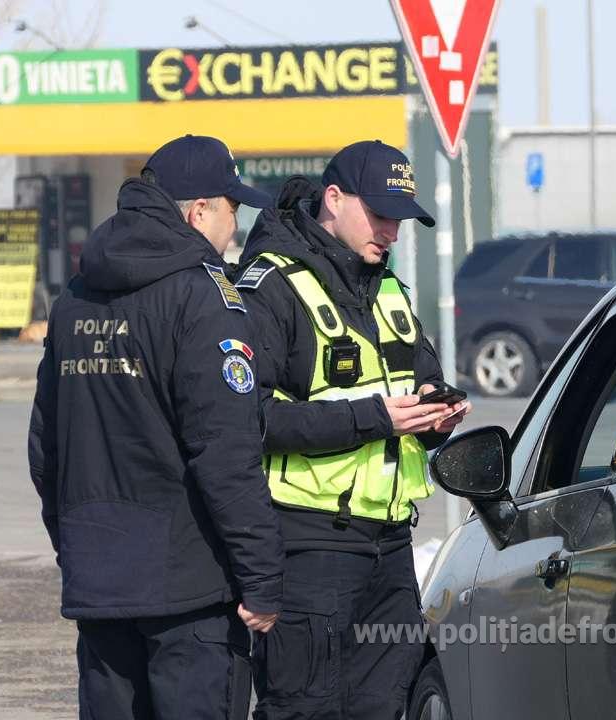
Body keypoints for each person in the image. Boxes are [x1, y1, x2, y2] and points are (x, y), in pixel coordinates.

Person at [27, 134, 284, 720]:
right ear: (199, 211)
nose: (235, 228)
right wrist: (262, 576)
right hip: (188, 592)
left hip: (100, 581)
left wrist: (77, 548)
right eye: (232, 209)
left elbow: (46, 449)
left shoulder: (75, 297)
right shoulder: (204, 297)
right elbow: (227, 454)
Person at [236, 140, 471, 719]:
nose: (392, 232)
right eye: (381, 214)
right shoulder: (272, 286)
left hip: (389, 547)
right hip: (308, 547)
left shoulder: (388, 289)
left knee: (384, 706)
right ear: (334, 199)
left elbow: (422, 383)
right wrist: (376, 417)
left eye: (401, 219)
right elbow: (249, 419)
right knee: (305, 708)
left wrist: (436, 415)